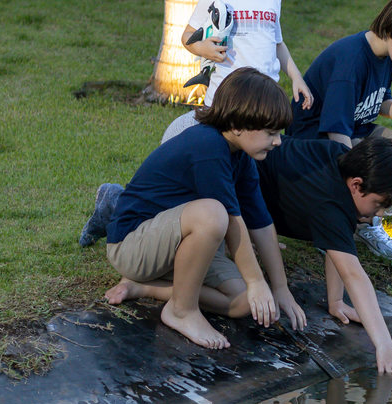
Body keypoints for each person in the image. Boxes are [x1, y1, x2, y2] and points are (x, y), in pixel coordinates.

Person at [103, 68, 305, 352]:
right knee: (214, 214)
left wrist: (279, 288)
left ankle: (144, 288)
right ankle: (182, 311)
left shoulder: (241, 157)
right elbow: (232, 222)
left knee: (246, 301)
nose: (278, 141)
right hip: (132, 246)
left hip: (175, 250)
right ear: (238, 125)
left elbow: (260, 223)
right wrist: (256, 279)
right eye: (271, 132)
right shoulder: (207, 145)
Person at [287, 0, 392, 260]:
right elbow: (336, 132)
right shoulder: (352, 61)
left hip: (355, 128)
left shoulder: (389, 55)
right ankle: (345, 222)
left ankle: (368, 220)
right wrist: (368, 168)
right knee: (373, 166)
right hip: (316, 138)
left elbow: (378, 99)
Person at [153, 0, 314, 152]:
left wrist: (296, 77)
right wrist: (203, 48)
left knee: (261, 154)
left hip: (264, 99)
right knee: (220, 150)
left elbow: (277, 43)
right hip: (225, 100)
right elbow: (187, 36)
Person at [257, 133, 392, 376]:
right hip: (238, 188)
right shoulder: (330, 204)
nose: (379, 214)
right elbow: (353, 274)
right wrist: (385, 345)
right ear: (356, 185)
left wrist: (337, 301)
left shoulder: (342, 158)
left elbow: (339, 240)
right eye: (378, 204)